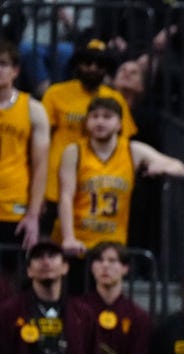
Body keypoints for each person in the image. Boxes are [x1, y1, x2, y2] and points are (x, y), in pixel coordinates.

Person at [56, 96, 184, 253]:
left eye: (107, 116)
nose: (100, 122)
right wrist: (69, 238)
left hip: (114, 247)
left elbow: (180, 167)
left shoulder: (132, 150)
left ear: (119, 124)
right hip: (79, 244)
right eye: (94, 116)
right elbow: (65, 196)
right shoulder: (74, 151)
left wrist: (161, 168)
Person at [41, 40, 136, 232]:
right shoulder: (55, 94)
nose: (92, 68)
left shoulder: (115, 99)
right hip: (56, 182)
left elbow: (124, 141)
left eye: (99, 65)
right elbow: (41, 139)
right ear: (77, 65)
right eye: (87, 63)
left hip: (97, 184)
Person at [0, 240, 97, 354]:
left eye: (52, 256)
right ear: (29, 270)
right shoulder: (7, 313)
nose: (45, 262)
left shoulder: (84, 315)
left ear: (65, 267)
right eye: (38, 257)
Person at [75, 241, 152, 354]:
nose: (105, 265)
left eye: (112, 260)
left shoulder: (138, 316)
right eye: (99, 260)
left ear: (125, 268)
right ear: (92, 267)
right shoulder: (77, 310)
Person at [0, 40, 48, 250]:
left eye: (2, 64)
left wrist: (33, 215)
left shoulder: (33, 109)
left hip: (14, 206)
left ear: (15, 71)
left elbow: (41, 167)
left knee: (11, 278)